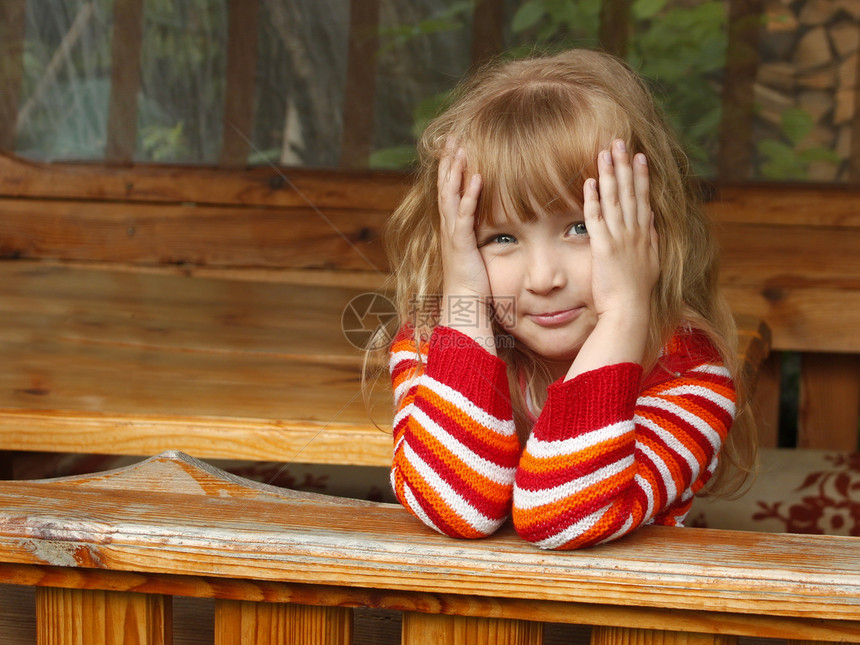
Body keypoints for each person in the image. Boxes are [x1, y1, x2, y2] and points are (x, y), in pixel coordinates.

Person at [381, 48, 755, 550]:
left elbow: (561, 517)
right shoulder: (431, 348)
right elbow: (455, 508)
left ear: (651, 229)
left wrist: (624, 314)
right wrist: (466, 297)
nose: (543, 277)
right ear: (457, 246)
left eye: (580, 227)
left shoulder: (688, 375)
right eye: (502, 239)